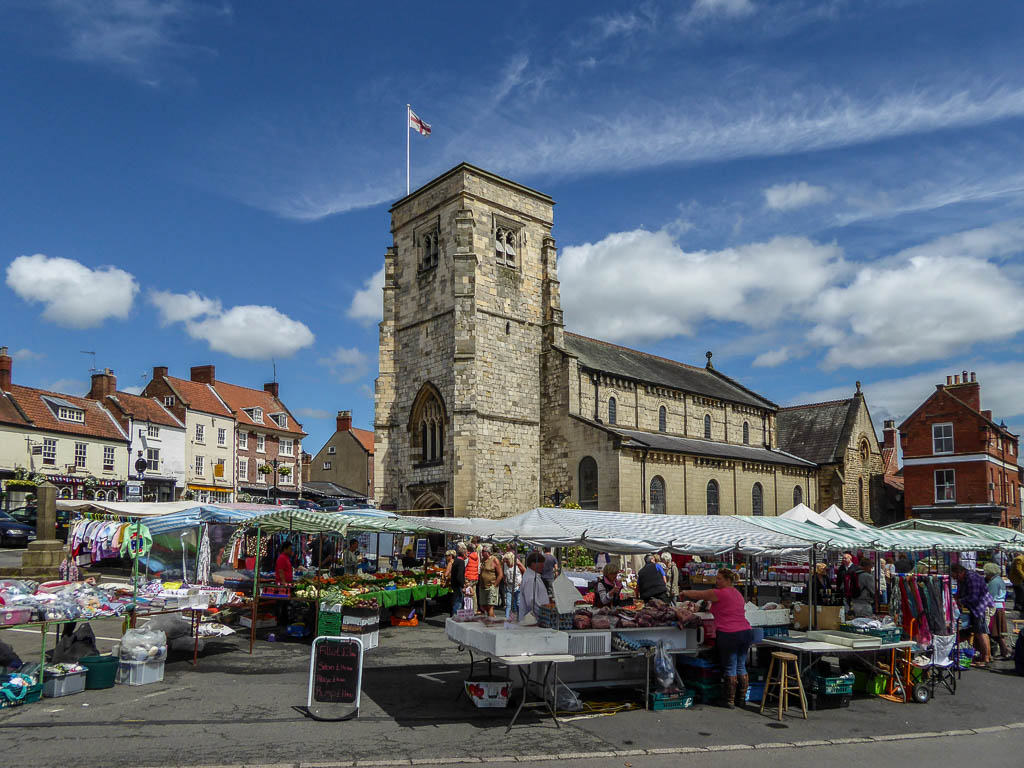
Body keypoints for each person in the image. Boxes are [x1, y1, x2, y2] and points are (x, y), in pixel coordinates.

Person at [679, 568, 753, 708]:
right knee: (741, 665)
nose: (716, 581)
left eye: (719, 578)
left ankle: (729, 700)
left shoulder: (720, 593)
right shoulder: (737, 594)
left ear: (727, 580)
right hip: (745, 631)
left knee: (730, 665)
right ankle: (741, 699)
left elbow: (699, 594)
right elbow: (723, 609)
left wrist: (684, 592)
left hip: (729, 633)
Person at [952, 563, 994, 668]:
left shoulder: (971, 578)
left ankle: (986, 658)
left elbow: (973, 597)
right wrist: (956, 597)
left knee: (981, 632)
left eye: (956, 576)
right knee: (979, 632)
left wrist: (959, 600)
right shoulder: (962, 579)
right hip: (974, 608)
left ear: (960, 572)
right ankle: (985, 655)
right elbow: (959, 592)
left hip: (981, 607)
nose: (956, 579)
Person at [984, 563, 1011, 658]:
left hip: (995, 608)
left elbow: (990, 596)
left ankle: (1005, 651)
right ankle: (1005, 651)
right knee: (999, 632)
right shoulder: (999, 580)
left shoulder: (994, 582)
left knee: (996, 632)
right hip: (1000, 607)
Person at [518, 551, 550, 621]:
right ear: (533, 564)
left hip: (536, 619)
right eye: (541, 563)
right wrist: (544, 614)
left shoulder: (533, 576)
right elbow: (531, 602)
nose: (543, 566)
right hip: (532, 620)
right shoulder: (531, 579)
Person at [478, 545, 504, 618]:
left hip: (491, 586)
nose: (481, 553)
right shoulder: (483, 560)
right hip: (482, 587)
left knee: (490, 606)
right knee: (483, 606)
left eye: (483, 551)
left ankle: (491, 622)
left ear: (488, 552)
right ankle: (491, 617)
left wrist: (495, 585)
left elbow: (500, 574)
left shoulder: (494, 560)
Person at [274, 541, 294, 628]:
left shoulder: (287, 557)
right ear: (285, 549)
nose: (291, 551)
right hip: (282, 586)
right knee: (282, 604)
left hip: (287, 585)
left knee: (285, 604)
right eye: (290, 549)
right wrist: (284, 583)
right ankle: (281, 622)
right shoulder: (282, 558)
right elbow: (281, 571)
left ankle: (284, 622)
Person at [503, 550, 525, 620]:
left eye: (507, 560)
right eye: (505, 560)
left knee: (518, 603)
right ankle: (507, 618)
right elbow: (504, 574)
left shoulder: (518, 564)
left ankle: (520, 618)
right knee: (508, 604)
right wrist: (505, 580)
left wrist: (521, 582)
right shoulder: (505, 565)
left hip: (517, 586)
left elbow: (525, 572)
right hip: (509, 586)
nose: (506, 561)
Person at [450, 544, 467, 615]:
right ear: (463, 554)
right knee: (458, 602)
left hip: (454, 584)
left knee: (457, 600)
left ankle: (454, 615)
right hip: (458, 585)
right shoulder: (461, 562)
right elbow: (459, 576)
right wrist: (463, 585)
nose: (467, 555)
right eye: (466, 553)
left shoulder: (456, 560)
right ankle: (454, 617)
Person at [464, 542, 480, 614]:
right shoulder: (477, 556)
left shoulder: (468, 557)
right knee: (474, 594)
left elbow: (465, 566)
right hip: (475, 577)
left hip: (469, 577)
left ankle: (468, 609)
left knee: (467, 594)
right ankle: (475, 609)